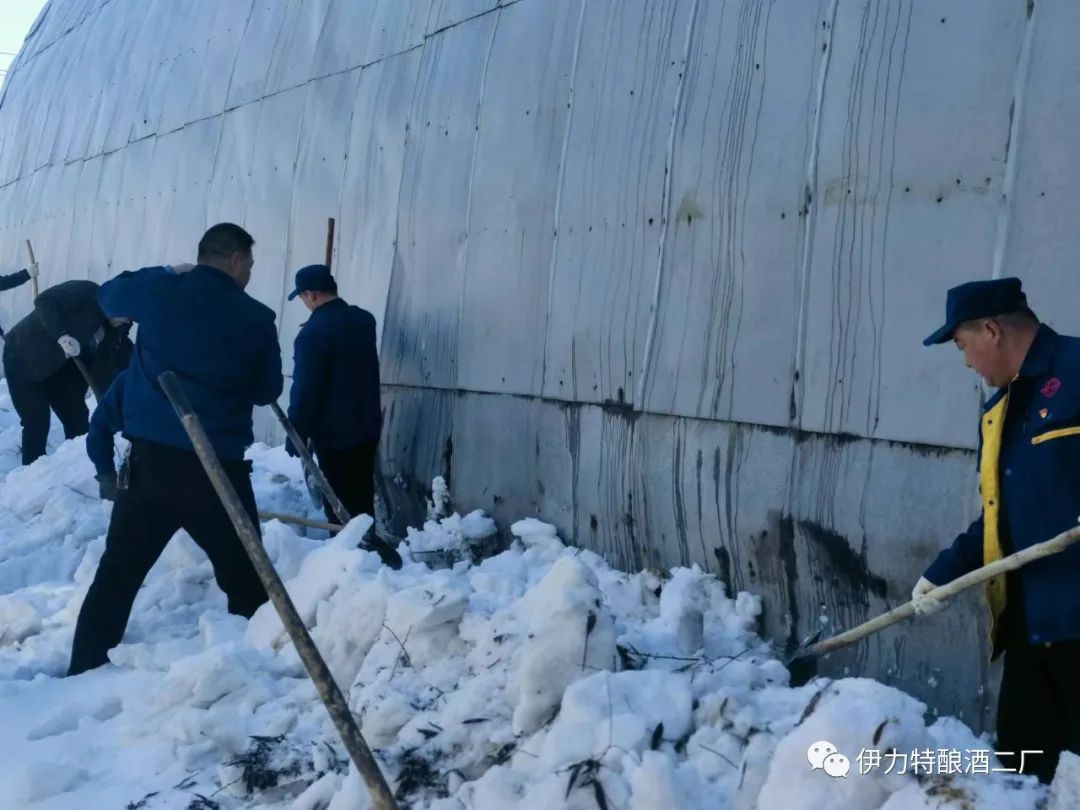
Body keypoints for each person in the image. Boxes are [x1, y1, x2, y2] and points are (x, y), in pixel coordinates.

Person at [67, 223, 282, 676]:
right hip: (218, 473)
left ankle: (83, 667)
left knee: (117, 576)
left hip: (151, 469)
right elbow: (267, 390)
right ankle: (259, 671)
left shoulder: (161, 291)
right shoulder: (257, 318)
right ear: (236, 260)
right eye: (250, 264)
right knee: (247, 577)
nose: (250, 273)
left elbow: (108, 296)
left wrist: (167, 271)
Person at [913, 277, 1080, 783]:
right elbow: (1001, 517)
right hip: (1032, 629)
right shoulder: (1000, 412)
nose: (967, 362)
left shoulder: (1077, 369)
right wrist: (943, 573)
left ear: (991, 330)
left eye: (963, 346)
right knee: (1022, 774)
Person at [284, 264, 401, 569]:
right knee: (361, 496)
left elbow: (306, 389)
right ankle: (368, 555)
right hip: (367, 426)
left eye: (302, 297)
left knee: (339, 506)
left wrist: (296, 431)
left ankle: (348, 563)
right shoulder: (363, 321)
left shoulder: (311, 335)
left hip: (334, 434)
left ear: (311, 295)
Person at [2, 279, 133, 465]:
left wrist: (111, 409)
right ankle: (31, 474)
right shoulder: (86, 292)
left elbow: (106, 373)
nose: (124, 320)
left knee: (77, 417)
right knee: (37, 422)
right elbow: (44, 301)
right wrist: (61, 335)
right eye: (123, 313)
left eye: (128, 318)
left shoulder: (115, 334)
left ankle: (76, 467)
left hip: (61, 369)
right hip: (23, 356)